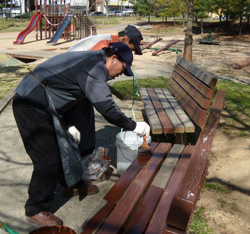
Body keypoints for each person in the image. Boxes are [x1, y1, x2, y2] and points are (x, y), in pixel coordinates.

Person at [12, 42, 150, 227]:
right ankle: (35, 208)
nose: (118, 76)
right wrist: (133, 125)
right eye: (122, 70)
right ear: (114, 59)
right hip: (31, 104)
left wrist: (69, 123)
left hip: (49, 104)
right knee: (47, 159)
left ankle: (69, 184)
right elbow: (106, 107)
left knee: (67, 147)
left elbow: (69, 88)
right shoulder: (95, 68)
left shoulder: (93, 60)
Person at [68, 25, 143, 55]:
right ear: (124, 39)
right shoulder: (104, 44)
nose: (128, 52)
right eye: (129, 49)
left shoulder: (111, 42)